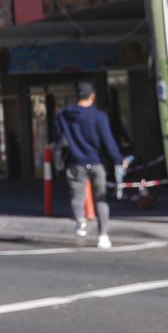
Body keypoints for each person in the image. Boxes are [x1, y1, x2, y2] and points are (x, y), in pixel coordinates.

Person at [56, 81, 129, 249]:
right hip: (96, 162)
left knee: (76, 197)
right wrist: (118, 160)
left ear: (77, 97)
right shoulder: (99, 117)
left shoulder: (64, 115)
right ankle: (103, 235)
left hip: (75, 162)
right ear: (92, 97)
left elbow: (57, 137)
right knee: (101, 199)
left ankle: (80, 222)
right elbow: (108, 141)